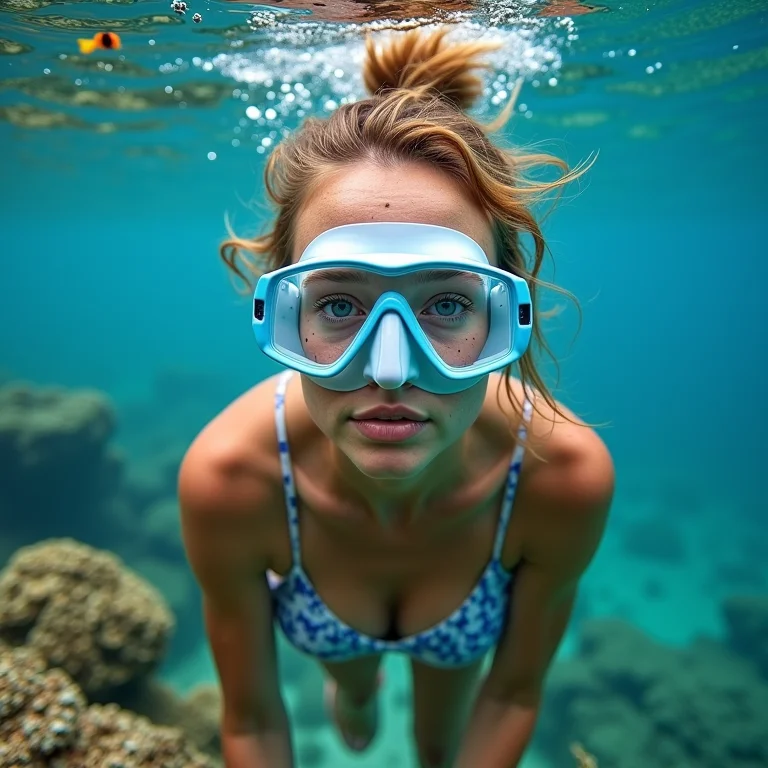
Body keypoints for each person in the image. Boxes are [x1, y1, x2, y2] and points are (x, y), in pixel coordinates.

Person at [178, 25, 614, 768]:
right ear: (283, 315)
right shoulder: (227, 480)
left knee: (438, 745)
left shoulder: (563, 475)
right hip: (339, 629)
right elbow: (251, 716)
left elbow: (511, 695)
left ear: (505, 317)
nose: (387, 371)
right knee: (352, 709)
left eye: (445, 306)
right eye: (339, 306)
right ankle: (352, 694)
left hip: (453, 644)